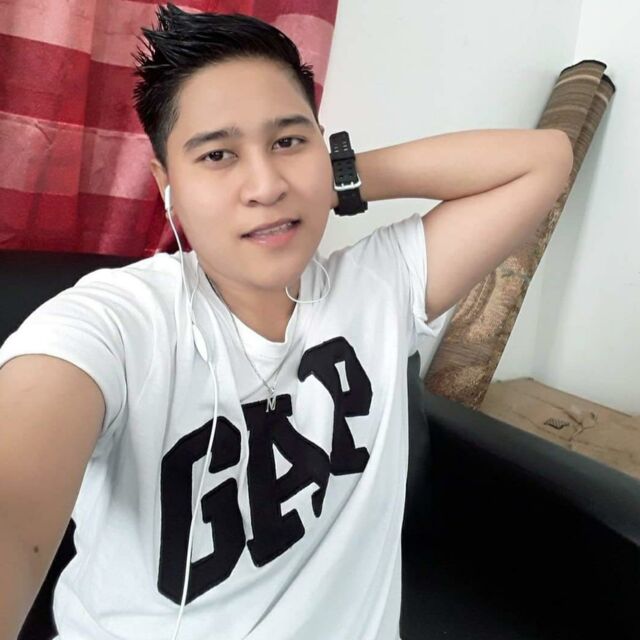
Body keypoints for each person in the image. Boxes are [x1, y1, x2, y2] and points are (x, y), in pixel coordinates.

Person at [0, 3, 573, 640]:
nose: (266, 185)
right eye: (217, 155)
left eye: (288, 142)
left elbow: (545, 158)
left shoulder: (380, 288)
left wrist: (335, 178)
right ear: (168, 185)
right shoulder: (116, 321)